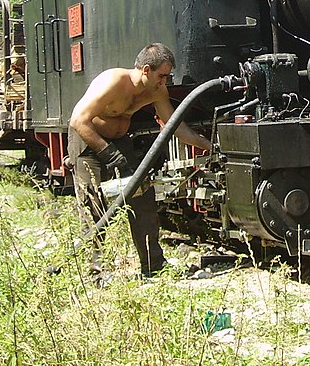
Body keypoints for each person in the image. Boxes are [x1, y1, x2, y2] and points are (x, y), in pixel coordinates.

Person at [68, 43, 212, 279]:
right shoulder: (113, 82)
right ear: (146, 69)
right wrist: (109, 154)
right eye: (162, 76)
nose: (164, 82)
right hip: (87, 141)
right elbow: (78, 121)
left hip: (120, 141)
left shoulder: (156, 91)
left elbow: (176, 128)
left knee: (143, 199)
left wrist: (208, 145)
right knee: (93, 205)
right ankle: (96, 274)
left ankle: (154, 265)